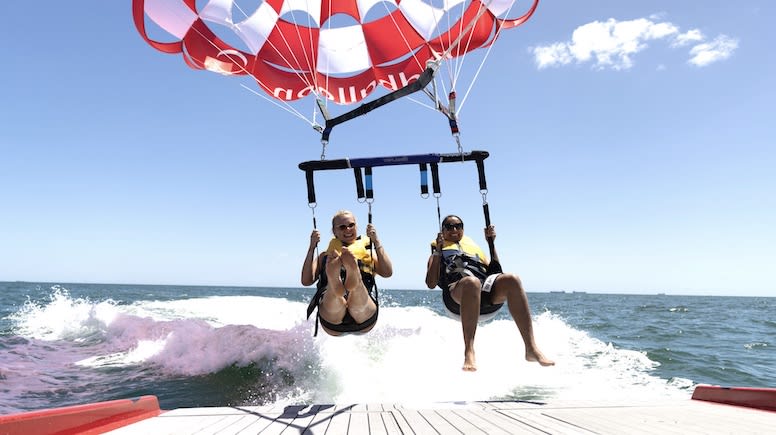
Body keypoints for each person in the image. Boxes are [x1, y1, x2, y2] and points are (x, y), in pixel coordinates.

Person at [425, 214, 554, 371]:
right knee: (471, 283)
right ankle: (469, 352)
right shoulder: (438, 251)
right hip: (456, 300)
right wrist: (438, 251)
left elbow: (496, 271)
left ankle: (531, 348)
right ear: (442, 231)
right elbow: (431, 283)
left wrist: (491, 243)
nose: (454, 229)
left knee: (512, 279)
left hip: (485, 300)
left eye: (458, 226)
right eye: (449, 227)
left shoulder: (473, 248)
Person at [301, 210, 393, 336]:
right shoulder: (325, 257)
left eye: (351, 225)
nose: (348, 229)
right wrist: (312, 247)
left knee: (356, 293)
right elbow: (306, 281)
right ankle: (337, 284)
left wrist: (376, 242)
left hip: (360, 315)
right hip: (338, 320)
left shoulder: (367, 255)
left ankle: (350, 279)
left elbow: (387, 272)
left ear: (356, 226)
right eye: (342, 227)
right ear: (334, 231)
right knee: (334, 296)